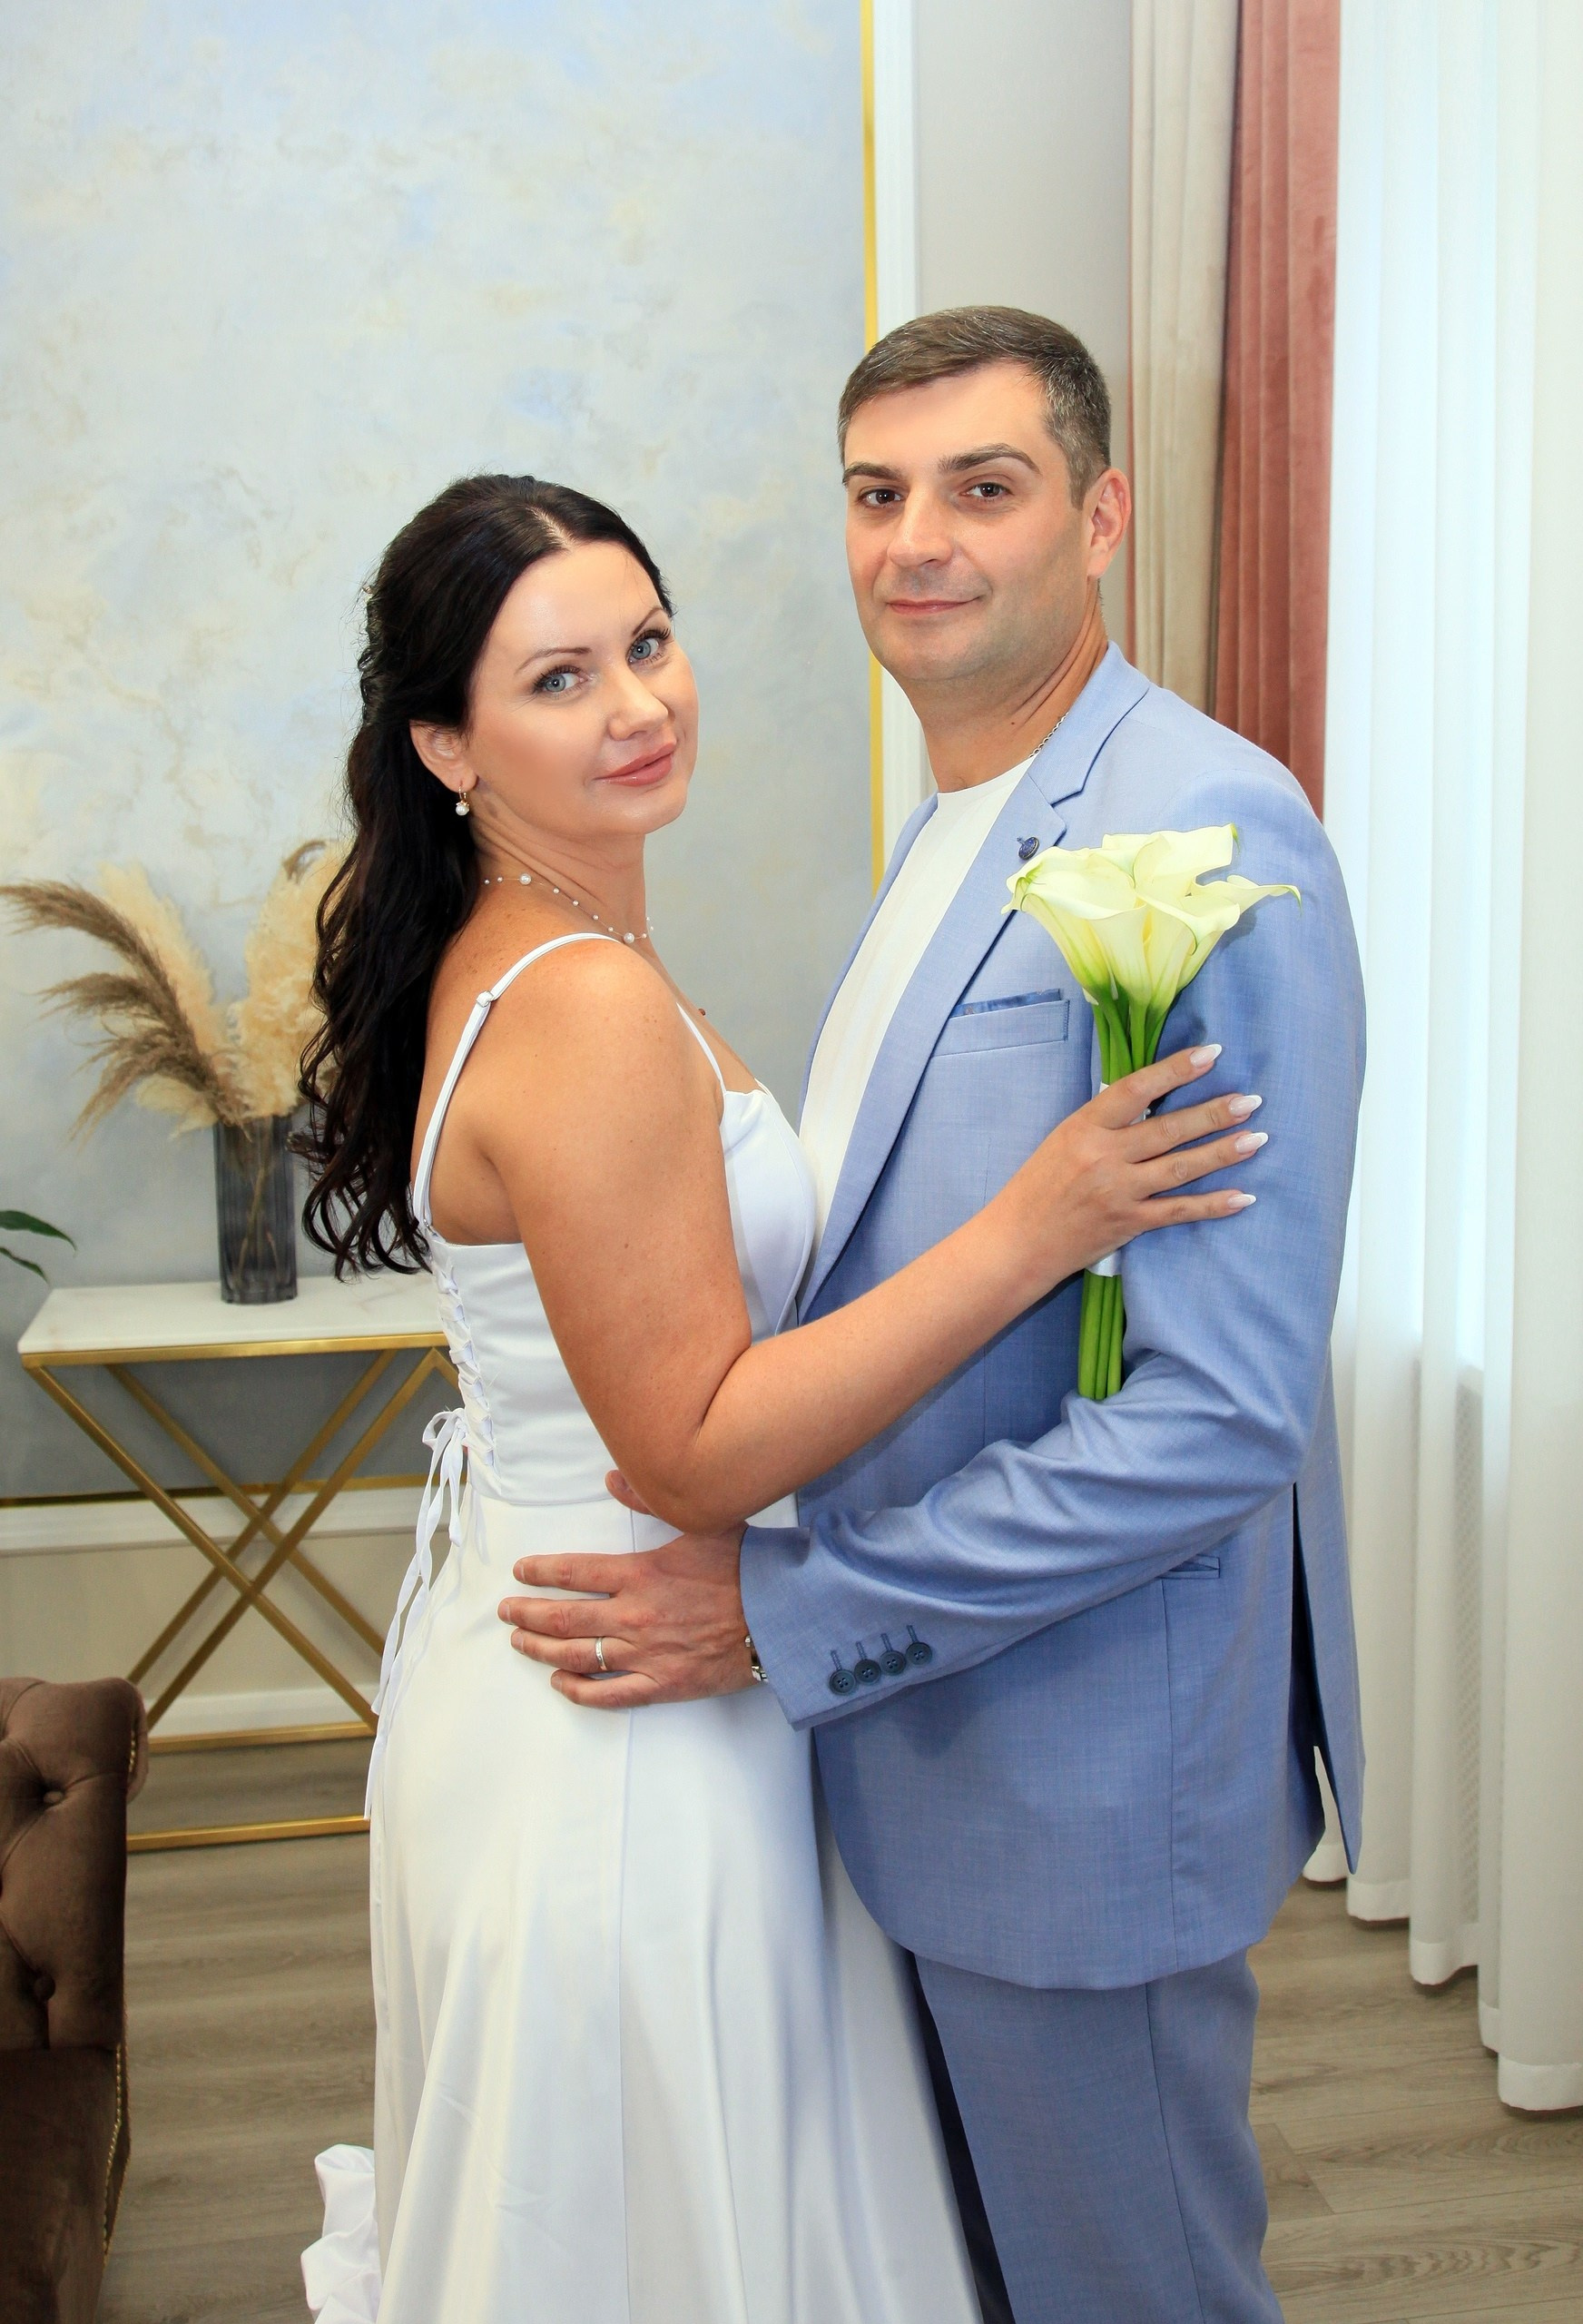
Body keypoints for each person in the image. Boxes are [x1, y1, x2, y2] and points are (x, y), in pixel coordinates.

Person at [295, 471, 1261, 2323]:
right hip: (630, 1713)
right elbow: (689, 1446)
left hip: (583, 1647)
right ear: (445, 744)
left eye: (647, 643)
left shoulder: (545, 945)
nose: (638, 704)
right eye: (559, 679)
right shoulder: (578, 1001)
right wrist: (1037, 1225)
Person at [502, 309, 1367, 2324]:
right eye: (875, 495)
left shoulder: (1205, 831)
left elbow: (1219, 1413)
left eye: (984, 488)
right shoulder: (962, 819)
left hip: (1081, 1766)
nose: (917, 542)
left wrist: (793, 1608)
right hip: (933, 1752)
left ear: (1102, 516)